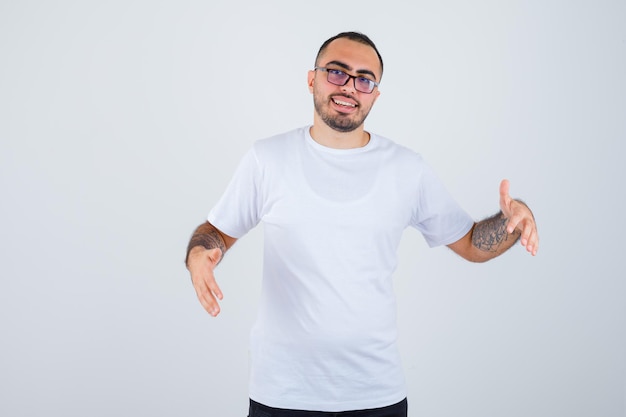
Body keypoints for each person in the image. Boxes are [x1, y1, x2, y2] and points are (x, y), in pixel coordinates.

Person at [185, 31, 538, 417]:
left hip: (375, 394)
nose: (350, 86)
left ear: (375, 94)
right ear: (311, 79)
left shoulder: (406, 169)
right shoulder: (267, 159)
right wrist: (200, 253)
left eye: (364, 79)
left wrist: (513, 222)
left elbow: (471, 242)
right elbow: (214, 231)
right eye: (336, 72)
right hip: (282, 393)